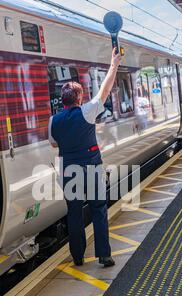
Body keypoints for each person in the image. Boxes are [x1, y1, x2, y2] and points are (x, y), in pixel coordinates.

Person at [49, 48, 122, 267]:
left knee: (74, 213)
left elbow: (53, 143)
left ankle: (78, 257)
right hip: (91, 167)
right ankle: (104, 255)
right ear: (79, 98)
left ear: (63, 100)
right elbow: (106, 89)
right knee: (98, 209)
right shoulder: (87, 111)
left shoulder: (54, 121)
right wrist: (114, 64)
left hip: (68, 169)